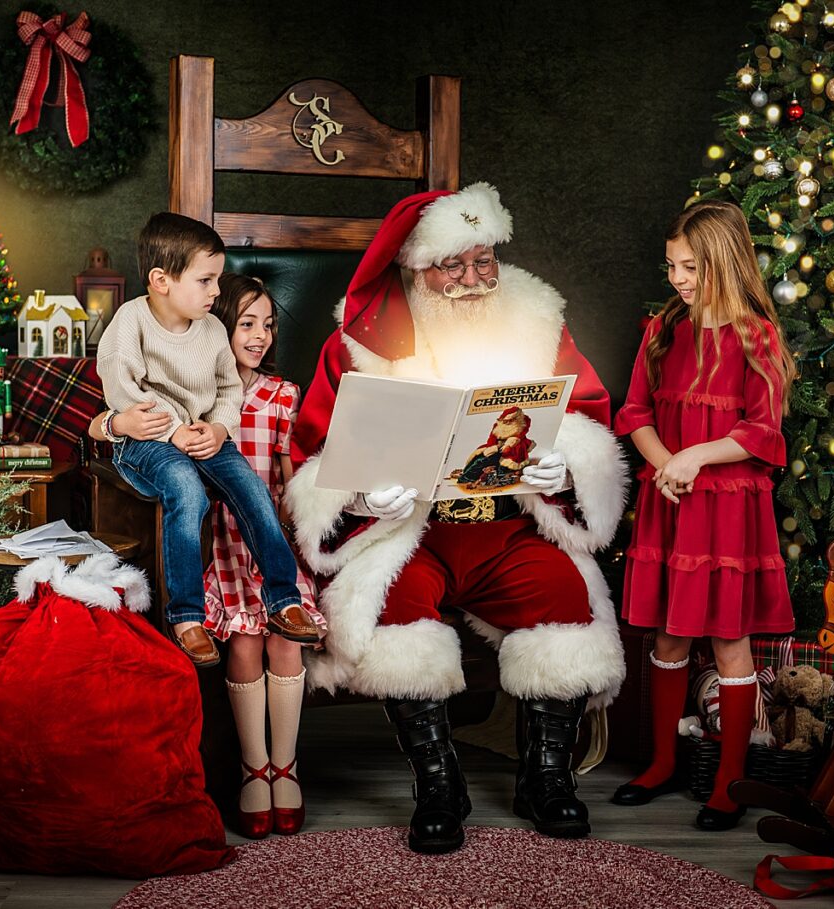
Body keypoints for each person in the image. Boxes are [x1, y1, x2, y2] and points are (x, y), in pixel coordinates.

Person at [286, 183, 628, 854]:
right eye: (454, 265)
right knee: (395, 610)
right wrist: (359, 496)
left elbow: (586, 411)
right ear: (417, 266)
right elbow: (316, 450)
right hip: (414, 534)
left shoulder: (537, 317)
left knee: (564, 596)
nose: (473, 279)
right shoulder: (361, 341)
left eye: (484, 260)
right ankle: (439, 785)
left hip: (507, 527)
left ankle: (546, 778)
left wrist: (566, 464)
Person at [610, 199, 796, 831]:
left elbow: (762, 429)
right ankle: (662, 763)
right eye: (670, 267)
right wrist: (667, 464)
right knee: (668, 634)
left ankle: (729, 782)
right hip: (672, 503)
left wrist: (695, 458)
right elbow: (633, 412)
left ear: (723, 262)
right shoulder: (663, 332)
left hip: (728, 512)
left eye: (689, 267)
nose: (677, 280)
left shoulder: (755, 337)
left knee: (729, 640)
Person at [94, 212, 320, 668]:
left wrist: (218, 428)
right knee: (186, 491)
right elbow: (123, 390)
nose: (216, 292)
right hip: (149, 437)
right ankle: (187, 616)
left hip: (204, 433)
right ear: (162, 280)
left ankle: (283, 599)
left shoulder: (213, 330)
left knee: (253, 489)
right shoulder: (131, 321)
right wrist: (175, 428)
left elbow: (227, 390)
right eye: (205, 280)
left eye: (217, 280)